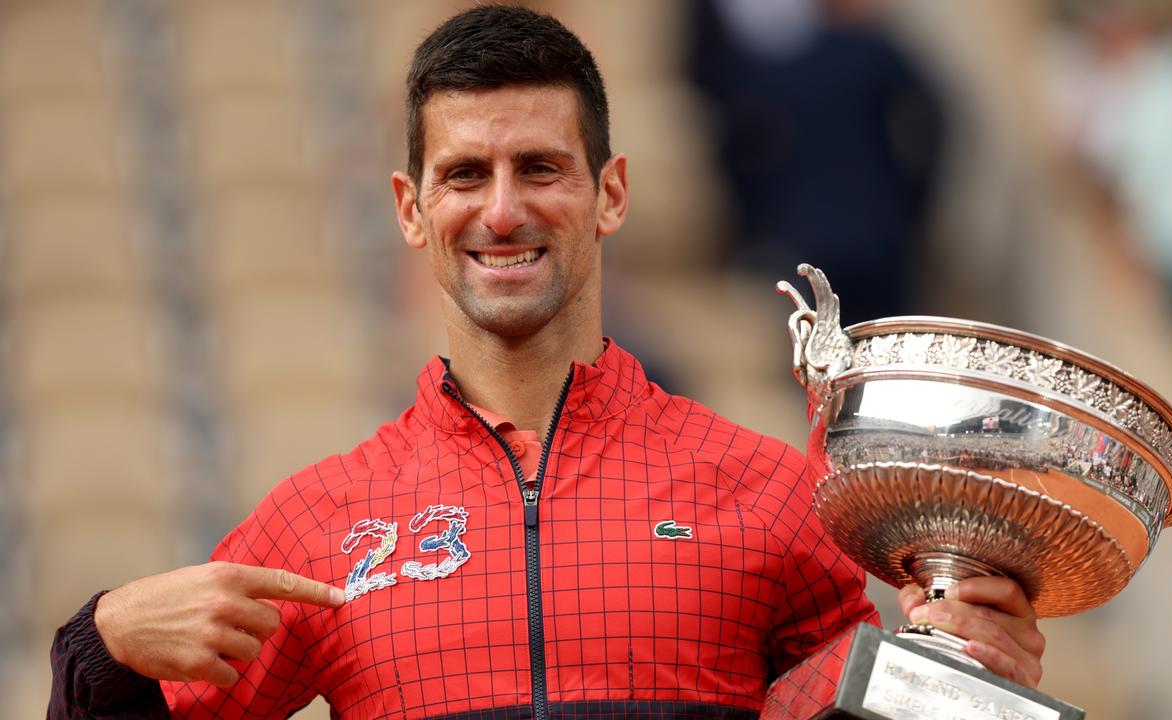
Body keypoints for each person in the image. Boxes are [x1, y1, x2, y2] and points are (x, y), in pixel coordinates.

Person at [49, 6, 1044, 719]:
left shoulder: (770, 493)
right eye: (464, 174)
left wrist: (966, 677)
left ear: (610, 193)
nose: (502, 210)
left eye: (539, 168)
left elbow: (876, 704)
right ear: (409, 208)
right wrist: (99, 652)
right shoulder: (318, 527)